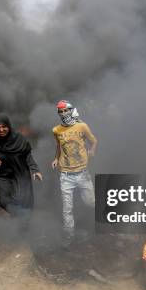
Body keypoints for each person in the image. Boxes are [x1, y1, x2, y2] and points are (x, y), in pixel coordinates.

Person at [51, 100, 98, 243]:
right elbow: (59, 146)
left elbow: (94, 140)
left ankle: (99, 225)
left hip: (83, 173)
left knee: (91, 202)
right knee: (67, 209)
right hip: (65, 175)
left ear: (71, 110)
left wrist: (92, 150)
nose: (63, 113)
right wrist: (56, 158)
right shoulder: (56, 130)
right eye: (60, 111)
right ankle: (69, 236)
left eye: (65, 110)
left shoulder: (82, 126)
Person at [0, 113, 42, 216]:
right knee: (4, 201)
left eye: (4, 127)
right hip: (2, 175)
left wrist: (35, 170)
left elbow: (27, 155)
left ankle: (23, 224)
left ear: (9, 126)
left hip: (20, 172)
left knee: (24, 200)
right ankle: (21, 216)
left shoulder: (19, 139)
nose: (1, 130)